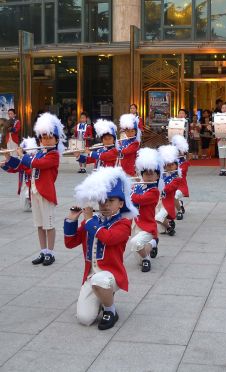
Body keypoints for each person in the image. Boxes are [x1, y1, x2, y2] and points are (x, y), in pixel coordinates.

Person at [64, 167, 136, 330]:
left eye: (111, 201)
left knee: (101, 280)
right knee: (84, 318)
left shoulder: (123, 224)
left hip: (112, 274)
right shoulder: (92, 221)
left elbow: (108, 238)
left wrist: (89, 221)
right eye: (102, 200)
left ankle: (110, 310)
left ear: (121, 203)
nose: (105, 204)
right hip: (91, 276)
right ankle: (101, 298)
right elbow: (70, 243)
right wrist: (71, 220)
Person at [4, 113, 65, 266]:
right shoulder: (39, 153)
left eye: (50, 138)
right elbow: (26, 168)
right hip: (35, 192)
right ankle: (43, 251)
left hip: (46, 194)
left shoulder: (54, 155)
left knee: (48, 225)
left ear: (56, 140)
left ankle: (51, 253)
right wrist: (8, 161)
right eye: (44, 138)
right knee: (39, 224)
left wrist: (23, 155)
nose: (46, 140)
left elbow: (37, 164)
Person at [129, 148, 161, 272]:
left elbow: (139, 199)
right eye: (146, 174)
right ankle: (153, 244)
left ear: (157, 175)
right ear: (142, 175)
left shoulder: (154, 191)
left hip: (147, 224)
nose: (149, 176)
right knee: (138, 254)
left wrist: (129, 192)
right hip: (135, 223)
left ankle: (147, 257)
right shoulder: (139, 186)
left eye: (152, 173)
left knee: (136, 243)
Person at [1, 137, 37, 211]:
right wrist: (4, 164)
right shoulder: (24, 158)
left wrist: (9, 158)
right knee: (25, 208)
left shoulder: (34, 158)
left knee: (30, 206)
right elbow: (15, 169)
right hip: (24, 184)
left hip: (33, 184)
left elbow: (21, 165)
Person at [155, 144, 181, 236]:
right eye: (167, 165)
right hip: (159, 202)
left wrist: (157, 185)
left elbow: (169, 189)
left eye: (172, 164)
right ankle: (169, 224)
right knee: (161, 230)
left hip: (167, 203)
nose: (170, 167)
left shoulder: (177, 178)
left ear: (176, 165)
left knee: (158, 218)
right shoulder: (161, 175)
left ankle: (169, 227)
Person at [171, 134, 190, 220]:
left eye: (180, 150)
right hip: (172, 185)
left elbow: (180, 172)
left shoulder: (185, 163)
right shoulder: (171, 161)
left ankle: (179, 211)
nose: (178, 152)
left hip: (181, 186)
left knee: (174, 196)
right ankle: (179, 203)